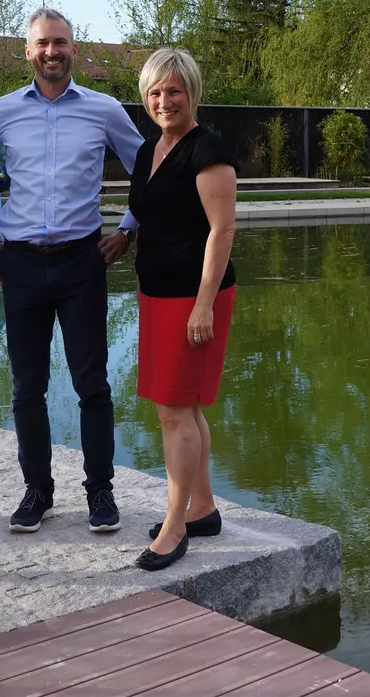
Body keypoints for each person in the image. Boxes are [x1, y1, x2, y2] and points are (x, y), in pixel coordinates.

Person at [0, 8, 143, 535]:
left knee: (92, 382)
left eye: (62, 43)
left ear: (75, 49)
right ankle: (38, 490)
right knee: (27, 385)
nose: (52, 51)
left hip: (82, 263)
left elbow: (152, 169)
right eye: (43, 43)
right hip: (20, 264)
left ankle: (100, 490)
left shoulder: (105, 109)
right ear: (28, 51)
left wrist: (128, 230)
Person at [127, 48, 236, 571]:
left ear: (192, 92)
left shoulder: (206, 149)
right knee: (184, 406)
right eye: (155, 92)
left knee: (174, 411)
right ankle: (203, 508)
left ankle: (175, 529)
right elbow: (150, 213)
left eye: (174, 91)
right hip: (157, 294)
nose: (164, 100)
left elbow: (223, 230)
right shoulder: (152, 148)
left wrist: (204, 305)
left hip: (193, 299)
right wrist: (122, 240)